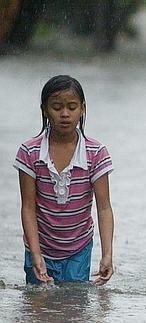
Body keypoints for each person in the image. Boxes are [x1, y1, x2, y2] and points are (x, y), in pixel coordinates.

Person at [14, 75, 115, 285]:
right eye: (57, 107)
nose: (65, 114)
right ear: (44, 109)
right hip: (39, 245)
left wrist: (107, 254)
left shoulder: (96, 153)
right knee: (37, 306)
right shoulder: (29, 152)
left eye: (72, 107)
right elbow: (28, 207)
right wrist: (35, 253)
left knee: (74, 305)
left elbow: (104, 207)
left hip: (79, 248)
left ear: (83, 108)